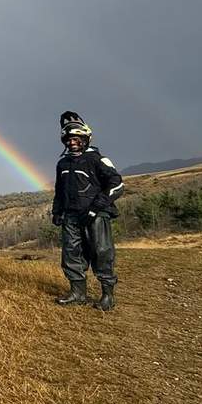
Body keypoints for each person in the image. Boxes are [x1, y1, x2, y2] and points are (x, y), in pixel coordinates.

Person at [52, 112, 124, 311]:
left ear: (85, 139)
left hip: (96, 216)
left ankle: (107, 296)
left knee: (102, 252)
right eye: (69, 139)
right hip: (70, 217)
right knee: (71, 254)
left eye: (76, 139)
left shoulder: (97, 159)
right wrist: (57, 211)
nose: (72, 142)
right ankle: (77, 294)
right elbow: (59, 190)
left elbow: (117, 184)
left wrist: (96, 207)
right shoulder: (63, 163)